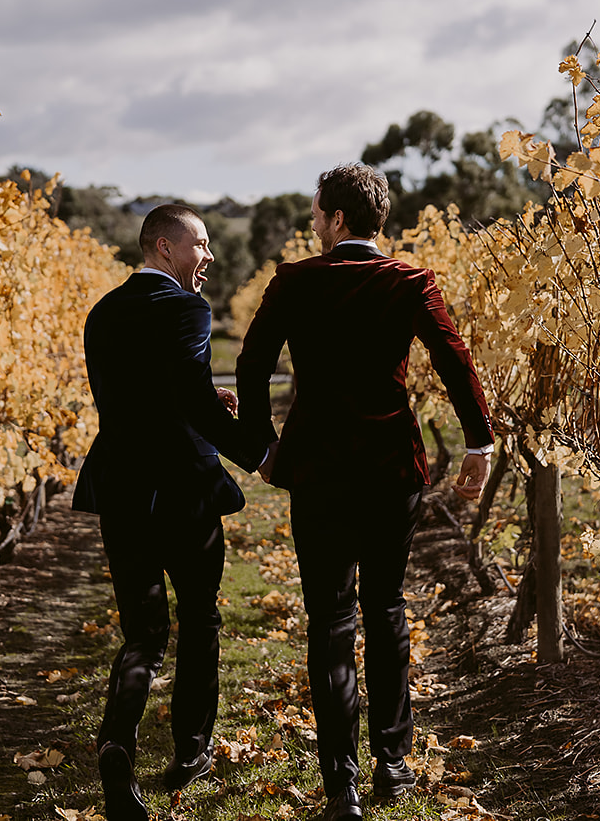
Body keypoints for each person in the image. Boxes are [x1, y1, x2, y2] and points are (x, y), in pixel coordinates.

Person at [236, 164, 493, 821]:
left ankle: (340, 783)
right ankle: (393, 761)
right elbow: (453, 356)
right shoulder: (410, 280)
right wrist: (478, 444)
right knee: (384, 607)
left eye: (317, 212)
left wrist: (261, 447)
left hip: (317, 473)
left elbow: (252, 362)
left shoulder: (294, 281)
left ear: (338, 219)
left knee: (330, 619)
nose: (313, 222)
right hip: (390, 470)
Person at [73, 203, 268, 821]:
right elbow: (184, 398)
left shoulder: (102, 312)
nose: (207, 256)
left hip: (122, 487)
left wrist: (199, 397)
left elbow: (135, 394)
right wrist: (260, 455)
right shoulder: (187, 308)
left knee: (143, 632)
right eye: (199, 244)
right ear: (164, 248)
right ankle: (191, 749)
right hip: (182, 488)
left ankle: (116, 742)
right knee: (201, 618)